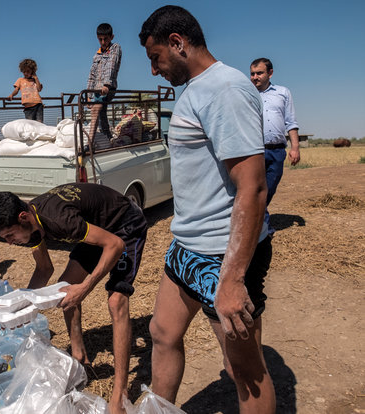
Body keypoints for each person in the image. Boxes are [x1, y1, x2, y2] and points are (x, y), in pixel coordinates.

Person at [139, 6, 275, 413]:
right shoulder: (196, 90)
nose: (154, 70)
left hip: (222, 252)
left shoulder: (225, 90)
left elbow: (252, 187)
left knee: (243, 368)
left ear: (178, 44)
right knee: (162, 332)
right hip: (189, 243)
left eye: (155, 58)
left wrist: (232, 279)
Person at [0, 183, 147, 414]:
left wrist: (86, 287)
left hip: (123, 224)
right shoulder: (32, 223)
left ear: (22, 217)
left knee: (116, 300)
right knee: (65, 288)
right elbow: (44, 269)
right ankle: (79, 357)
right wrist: (21, 305)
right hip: (98, 228)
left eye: (10, 235)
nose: (10, 242)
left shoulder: (58, 219)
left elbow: (115, 245)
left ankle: (119, 395)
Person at [250, 57, 300, 237]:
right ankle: (262, 229)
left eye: (259, 73)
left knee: (270, 188)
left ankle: (257, 223)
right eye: (252, 73)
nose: (255, 77)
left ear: (270, 73)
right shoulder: (247, 94)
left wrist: (295, 147)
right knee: (255, 189)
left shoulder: (283, 92)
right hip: (254, 150)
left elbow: (291, 122)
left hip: (278, 150)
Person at [86, 23, 122, 149]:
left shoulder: (115, 48)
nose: (103, 42)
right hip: (96, 89)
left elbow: (111, 65)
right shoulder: (96, 55)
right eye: (100, 39)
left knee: (96, 109)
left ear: (111, 37)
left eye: (105, 39)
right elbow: (92, 74)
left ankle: (89, 142)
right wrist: (89, 94)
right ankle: (108, 137)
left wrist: (107, 84)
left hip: (108, 88)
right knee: (101, 114)